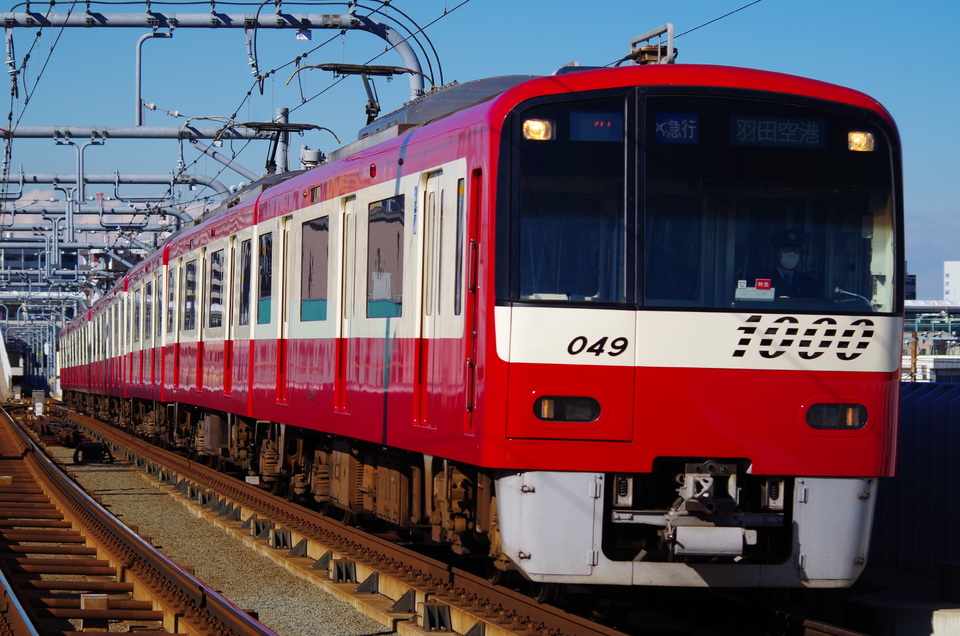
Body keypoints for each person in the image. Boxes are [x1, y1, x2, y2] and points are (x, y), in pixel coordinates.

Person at [764, 229, 819, 298]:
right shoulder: (763, 279)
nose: (792, 253)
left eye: (796, 249)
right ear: (774, 251)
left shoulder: (808, 282)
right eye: (787, 248)